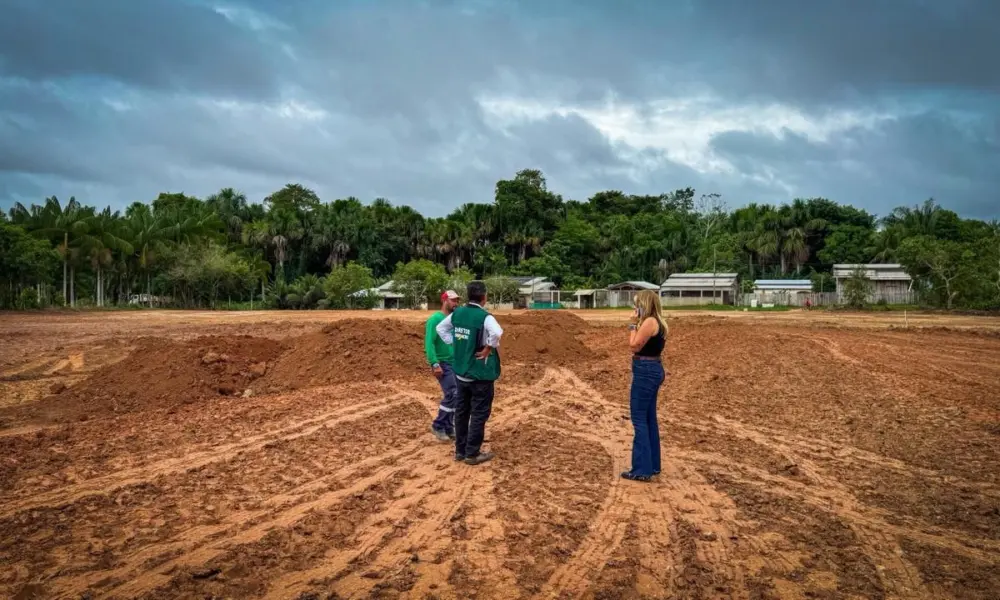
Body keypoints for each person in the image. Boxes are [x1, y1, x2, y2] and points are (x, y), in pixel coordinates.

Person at [435, 280, 503, 465]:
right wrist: (489, 348)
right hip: (479, 375)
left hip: (460, 373)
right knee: (479, 413)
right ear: (484, 297)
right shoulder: (485, 317)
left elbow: (440, 328)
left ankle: (460, 451)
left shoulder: (458, 313)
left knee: (462, 412)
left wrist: (457, 345)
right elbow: (497, 333)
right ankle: (472, 454)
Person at [622, 289, 668, 482]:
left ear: (645, 304)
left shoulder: (649, 322)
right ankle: (653, 464)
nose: (635, 308)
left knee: (639, 418)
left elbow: (634, 345)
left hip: (645, 370)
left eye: (637, 304)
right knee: (649, 418)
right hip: (653, 368)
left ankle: (641, 469)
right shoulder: (660, 322)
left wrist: (632, 325)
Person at [426, 289, 461, 442]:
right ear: (445, 300)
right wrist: (434, 363)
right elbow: (429, 342)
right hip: (442, 362)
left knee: (457, 394)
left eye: (457, 300)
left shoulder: (454, 319)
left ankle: (448, 426)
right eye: (453, 300)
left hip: (455, 362)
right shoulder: (435, 319)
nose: (456, 303)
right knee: (452, 392)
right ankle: (438, 425)